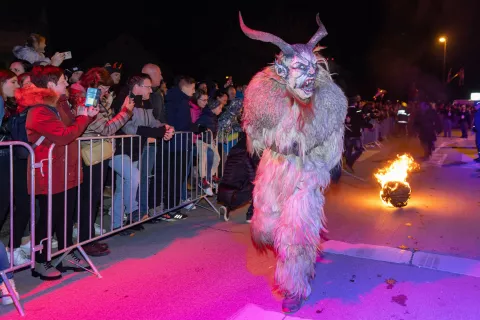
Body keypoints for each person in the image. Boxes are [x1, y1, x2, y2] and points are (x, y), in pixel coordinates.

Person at [239, 13, 347, 313]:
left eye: (313, 67)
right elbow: (254, 134)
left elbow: (333, 137)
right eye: (301, 67)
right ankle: (291, 257)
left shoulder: (327, 103)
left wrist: (330, 164)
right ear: (284, 69)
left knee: (295, 232)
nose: (309, 75)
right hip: (273, 169)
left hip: (308, 171)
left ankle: (294, 286)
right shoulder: (265, 99)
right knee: (265, 226)